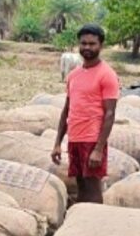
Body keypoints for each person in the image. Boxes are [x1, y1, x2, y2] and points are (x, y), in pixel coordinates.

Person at [51, 24, 119, 204]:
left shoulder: (107, 75)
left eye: (92, 44)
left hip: (92, 140)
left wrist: (98, 149)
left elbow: (110, 114)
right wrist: (57, 143)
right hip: (75, 138)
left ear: (101, 45)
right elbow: (67, 109)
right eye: (84, 43)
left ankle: (94, 218)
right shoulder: (73, 75)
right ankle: (82, 216)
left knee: (92, 187)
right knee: (81, 185)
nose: (87, 47)